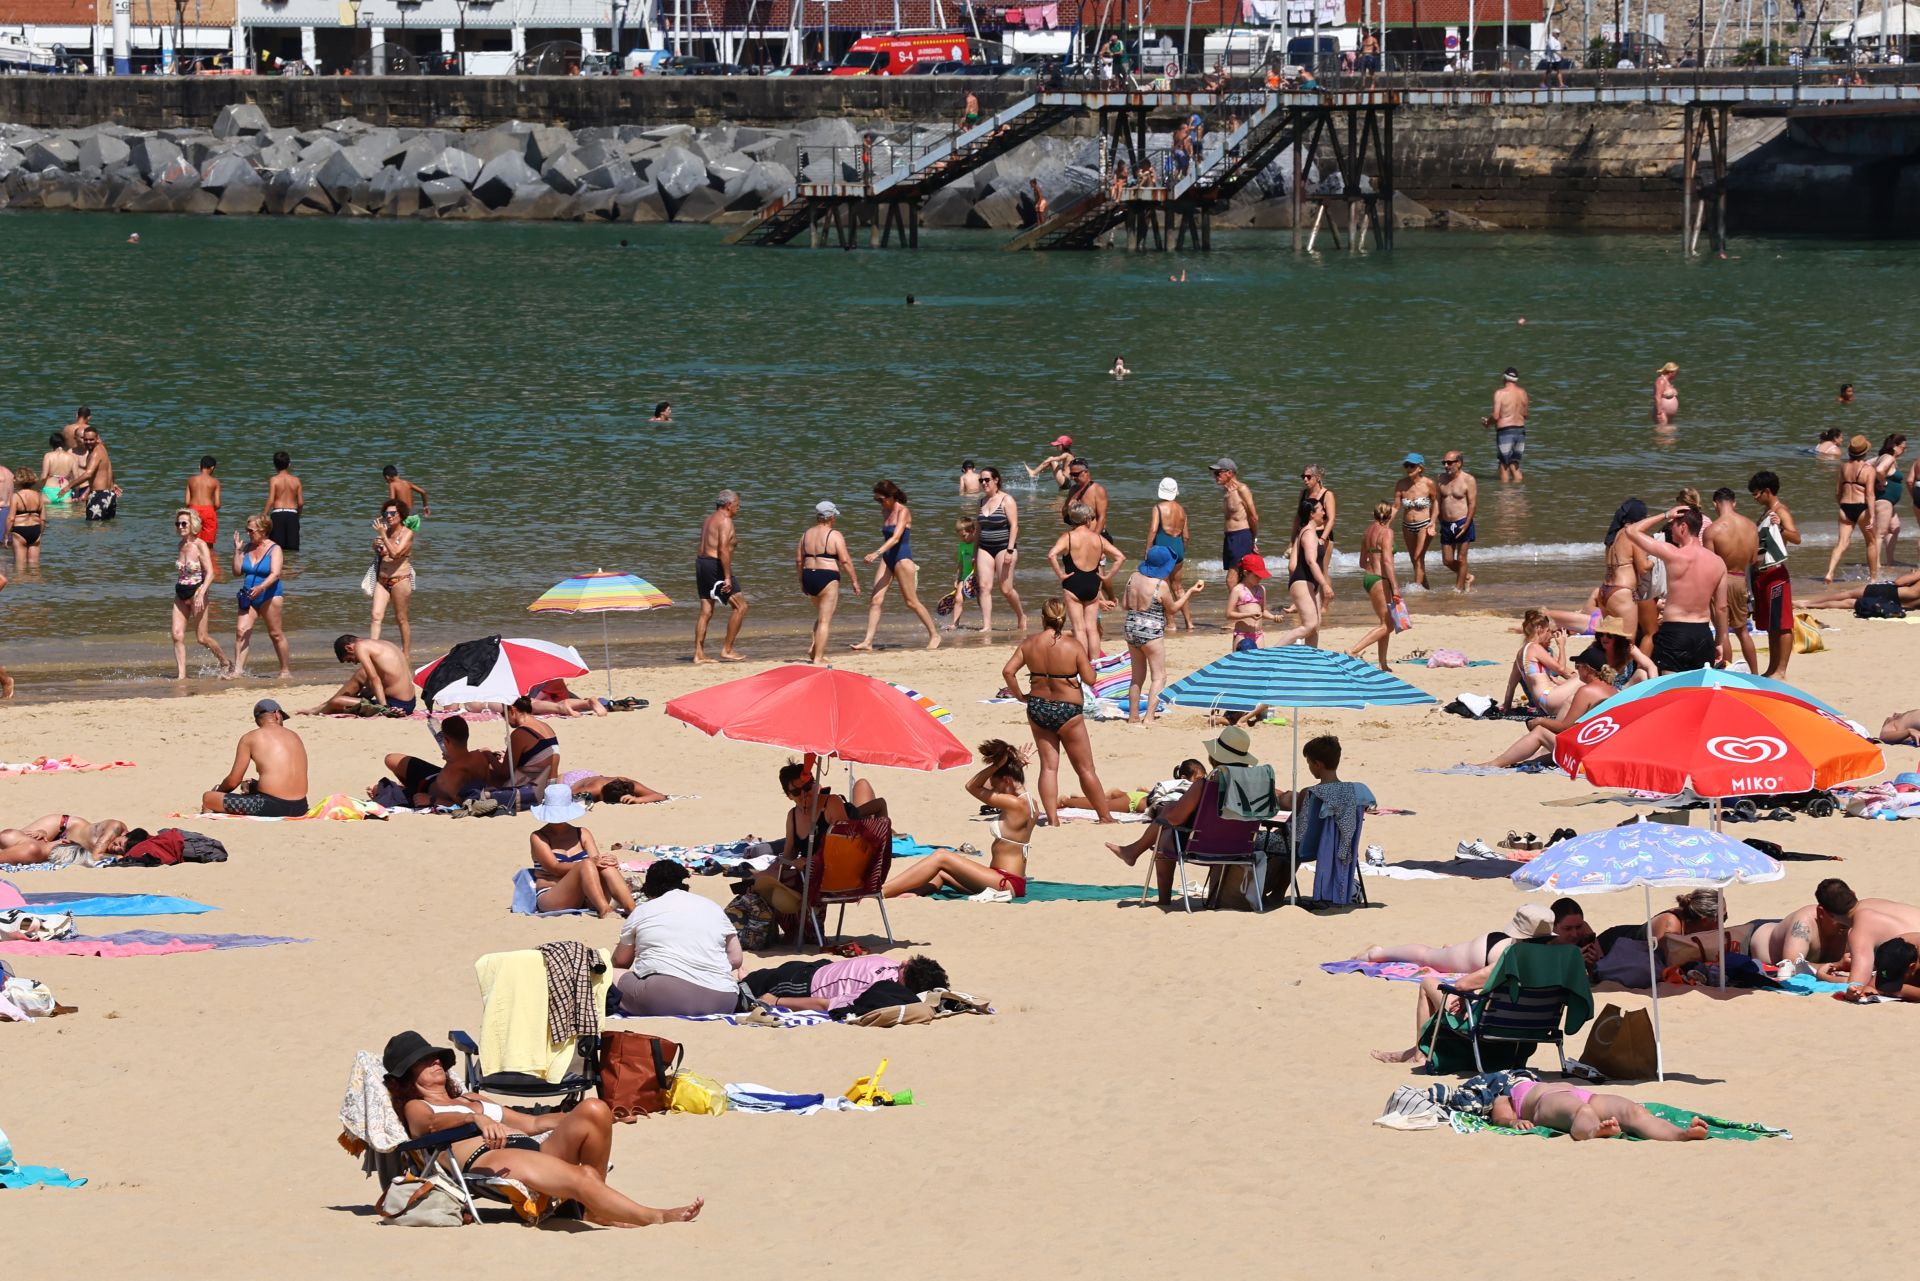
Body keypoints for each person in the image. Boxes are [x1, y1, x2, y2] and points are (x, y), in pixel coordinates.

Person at [384, 1031, 703, 1227]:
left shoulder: (472, 1097)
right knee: (582, 1177)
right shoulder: (419, 1106)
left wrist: (599, 1117)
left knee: (595, 1109)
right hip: (492, 1158)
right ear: (407, 1077)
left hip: (529, 1147)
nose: (435, 1062)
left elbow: (533, 1124)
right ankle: (655, 1216)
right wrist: (472, 1120)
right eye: (423, 1062)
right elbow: (427, 1126)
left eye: (434, 1058)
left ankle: (594, 1210)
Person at [1368, 905, 1556, 1063]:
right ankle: (1413, 1051)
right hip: (1532, 1030)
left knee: (1428, 983)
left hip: (1493, 1025)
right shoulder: (1560, 966)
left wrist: (1469, 991)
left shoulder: (1507, 963)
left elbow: (1461, 985)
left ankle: (1419, 1053)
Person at [1003, 598, 1115, 825]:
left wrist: (1020, 696)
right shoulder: (1072, 645)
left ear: (1043, 618)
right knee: (1085, 769)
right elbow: (1090, 679)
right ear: (1063, 619)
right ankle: (1105, 817)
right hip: (1069, 710)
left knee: (1049, 767)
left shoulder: (1029, 644)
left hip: (1038, 707)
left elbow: (1008, 672)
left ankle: (1053, 819)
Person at [882, 740, 1037, 900]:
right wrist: (1013, 764)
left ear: (1007, 781)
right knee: (942, 872)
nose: (996, 791)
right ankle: (911, 894)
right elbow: (989, 785)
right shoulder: (1031, 804)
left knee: (942, 856)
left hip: (1004, 882)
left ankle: (882, 891)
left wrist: (996, 766)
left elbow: (972, 786)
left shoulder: (1015, 804)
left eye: (998, 787)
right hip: (1004, 879)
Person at [611, 861, 742, 1017]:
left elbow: (620, 962)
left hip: (665, 996)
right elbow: (735, 959)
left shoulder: (643, 910)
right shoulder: (712, 906)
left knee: (606, 973)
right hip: (724, 999)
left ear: (650, 888)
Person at [1622, 506, 1724, 673]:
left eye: (1673, 525)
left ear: (1683, 527)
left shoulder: (1673, 554)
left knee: (1671, 688)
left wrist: (1665, 515)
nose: (1671, 529)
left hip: (1676, 632)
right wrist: (1720, 641)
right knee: (1699, 688)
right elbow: (1721, 608)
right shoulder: (1718, 562)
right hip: (1703, 633)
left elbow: (1632, 531)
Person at [1478, 645, 1615, 767]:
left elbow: (1564, 727)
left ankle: (1494, 764)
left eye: (1578, 666)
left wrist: (1540, 721)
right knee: (1551, 747)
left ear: (1587, 669)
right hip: (1602, 751)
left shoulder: (1586, 691)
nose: (1576, 670)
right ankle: (1526, 760)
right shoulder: (1612, 690)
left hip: (1586, 756)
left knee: (1540, 732)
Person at [852, 480, 939, 651]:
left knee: (911, 602)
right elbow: (887, 537)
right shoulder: (885, 510)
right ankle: (868, 642)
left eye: (881, 499)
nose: (879, 503)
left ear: (891, 497)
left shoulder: (903, 511)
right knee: (876, 600)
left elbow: (896, 538)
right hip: (888, 558)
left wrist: (876, 553)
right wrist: (882, 555)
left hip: (902, 558)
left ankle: (935, 634)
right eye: (876, 500)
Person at [1121, 546, 1204, 726]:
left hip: (1130, 627)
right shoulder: (1161, 585)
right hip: (1151, 633)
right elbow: (1172, 609)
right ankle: (1149, 717)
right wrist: (1189, 592)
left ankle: (1133, 716)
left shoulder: (1133, 578)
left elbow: (1124, 604)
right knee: (1159, 676)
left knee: (1136, 677)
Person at [526, 783, 633, 918]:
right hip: (553, 894)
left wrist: (606, 861)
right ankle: (605, 910)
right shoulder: (538, 837)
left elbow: (596, 862)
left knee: (606, 865)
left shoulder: (582, 833)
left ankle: (632, 908)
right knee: (587, 864)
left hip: (586, 894)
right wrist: (590, 862)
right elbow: (554, 868)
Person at [1491, 1078, 1709, 1141]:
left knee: (1635, 1112)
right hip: (1545, 1102)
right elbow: (1501, 1116)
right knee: (1582, 1112)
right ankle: (1593, 1130)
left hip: (1585, 1095)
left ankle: (1681, 1134)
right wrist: (1512, 1122)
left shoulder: (1531, 1080)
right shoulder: (1505, 1094)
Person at [201, 699, 309, 816]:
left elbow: (233, 781)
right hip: (301, 806)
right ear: (277, 715)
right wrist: (255, 786)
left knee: (208, 798)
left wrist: (219, 792)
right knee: (250, 786)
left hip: (269, 806)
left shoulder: (250, 738)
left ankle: (209, 813)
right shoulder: (295, 736)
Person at [744, 953, 948, 1012]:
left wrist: (777, 1001)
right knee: (756, 978)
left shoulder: (877, 989)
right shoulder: (895, 971)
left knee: (746, 990)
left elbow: (825, 1004)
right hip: (820, 968)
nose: (901, 962)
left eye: (906, 967)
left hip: (805, 984)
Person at [379, 714, 506, 807]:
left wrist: (432, 800)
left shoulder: (450, 775)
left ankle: (404, 789)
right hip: (434, 776)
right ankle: (405, 787)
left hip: (425, 792)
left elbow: (464, 804)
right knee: (391, 759)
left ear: (446, 741)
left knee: (379, 789)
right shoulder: (481, 755)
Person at [1048, 502, 1125, 654]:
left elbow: (1051, 555)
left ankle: (1082, 662)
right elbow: (1120, 557)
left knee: (1079, 628)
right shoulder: (1098, 538)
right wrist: (1107, 576)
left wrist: (1061, 575)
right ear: (1088, 520)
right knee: (1092, 628)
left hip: (1073, 584)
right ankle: (1095, 662)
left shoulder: (1067, 537)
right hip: (1093, 584)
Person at [1747, 470, 1800, 678]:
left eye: (1757, 493)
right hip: (1762, 574)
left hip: (1776, 574)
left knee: (1782, 623)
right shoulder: (1765, 512)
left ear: (1767, 491)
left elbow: (1796, 538)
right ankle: (1772, 667)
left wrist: (1781, 527)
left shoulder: (1781, 511)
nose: (1755, 498)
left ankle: (1782, 669)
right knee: (1771, 624)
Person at [796, 500, 859, 664]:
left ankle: (814, 647)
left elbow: (798, 560)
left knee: (821, 615)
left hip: (808, 575)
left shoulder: (806, 534)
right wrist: (854, 581)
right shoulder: (835, 535)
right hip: (827, 576)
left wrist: (801, 580)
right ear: (830, 517)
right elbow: (845, 561)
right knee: (825, 619)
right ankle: (818, 657)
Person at [1704, 487, 1759, 673]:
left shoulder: (1712, 530)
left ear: (1715, 504)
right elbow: (1753, 560)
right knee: (1743, 631)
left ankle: (1726, 672)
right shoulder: (1751, 526)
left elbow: (1709, 564)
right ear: (1734, 503)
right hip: (1740, 579)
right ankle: (1756, 673)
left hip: (1721, 580)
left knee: (1722, 631)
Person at [170, 507, 229, 679]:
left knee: (202, 638)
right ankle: (181, 675)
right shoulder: (180, 545)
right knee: (176, 635)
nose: (180, 527)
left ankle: (225, 662)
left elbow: (210, 573)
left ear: (192, 524)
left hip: (197, 592)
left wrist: (201, 592)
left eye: (184, 523)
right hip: (180, 593)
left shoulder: (200, 545)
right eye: (178, 524)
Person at [230, 515, 290, 679]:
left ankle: (285, 671)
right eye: (246, 530)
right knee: (240, 631)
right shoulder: (247, 547)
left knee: (275, 633)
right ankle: (238, 670)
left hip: (270, 595)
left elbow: (275, 574)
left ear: (263, 531)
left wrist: (262, 587)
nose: (247, 533)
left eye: (251, 530)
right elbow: (236, 572)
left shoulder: (274, 549)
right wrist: (236, 550)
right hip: (248, 596)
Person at [1347, 502, 1403, 671]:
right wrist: (1395, 587)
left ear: (1374, 515)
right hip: (1380, 578)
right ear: (1390, 516)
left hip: (1369, 578)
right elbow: (1387, 561)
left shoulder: (1368, 531)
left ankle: (1383, 663)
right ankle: (1353, 650)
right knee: (1388, 625)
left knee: (1384, 623)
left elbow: (1362, 562)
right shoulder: (1387, 532)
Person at [694, 489, 748, 663]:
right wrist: (727, 577)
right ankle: (727, 649)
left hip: (701, 563)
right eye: (737, 505)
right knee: (741, 607)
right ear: (728, 504)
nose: (739, 508)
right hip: (715, 566)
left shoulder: (709, 519)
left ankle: (698, 654)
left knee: (706, 611)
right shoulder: (725, 521)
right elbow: (723, 549)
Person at [304, 635, 417, 715]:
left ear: (349, 648)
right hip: (410, 702)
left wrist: (384, 708)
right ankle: (323, 705)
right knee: (361, 673)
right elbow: (388, 677)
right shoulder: (384, 643)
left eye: (350, 659)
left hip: (397, 705)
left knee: (336, 702)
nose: (354, 662)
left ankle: (322, 708)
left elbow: (374, 679)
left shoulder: (360, 647)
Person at [973, 468, 1024, 633]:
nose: (984, 483)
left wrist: (1010, 550)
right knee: (984, 587)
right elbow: (978, 529)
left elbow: (1015, 526)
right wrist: (975, 552)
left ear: (996, 480)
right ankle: (987, 625)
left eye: (987, 480)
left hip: (1004, 547)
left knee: (1006, 589)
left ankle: (1021, 616)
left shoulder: (1007, 500)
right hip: (984, 548)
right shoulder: (981, 502)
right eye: (981, 480)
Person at [1823, 435, 1879, 584]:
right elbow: (1870, 494)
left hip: (1844, 507)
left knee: (1841, 543)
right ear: (1865, 452)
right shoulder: (1869, 470)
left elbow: (1837, 492)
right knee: (1872, 542)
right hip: (1861, 508)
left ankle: (1830, 572)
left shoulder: (1843, 467)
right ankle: (1873, 578)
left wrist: (1841, 506)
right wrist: (1872, 515)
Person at [1144, 477, 1195, 631]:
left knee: (1163, 586)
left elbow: (1153, 529)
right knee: (1178, 587)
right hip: (1178, 546)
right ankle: (1189, 622)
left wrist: (1148, 549)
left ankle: (1171, 623)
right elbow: (1186, 536)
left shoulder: (1158, 508)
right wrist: (1182, 550)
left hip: (1163, 547)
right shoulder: (1181, 510)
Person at [1502, 609, 1575, 714]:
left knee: (1582, 682)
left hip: (1542, 704)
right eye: (1548, 631)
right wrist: (1561, 646)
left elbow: (1511, 685)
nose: (1550, 635)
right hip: (1548, 697)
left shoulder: (1523, 652)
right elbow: (1561, 669)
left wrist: (1506, 710)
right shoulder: (1534, 647)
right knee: (1584, 679)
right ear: (1539, 629)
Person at [369, 501, 416, 661]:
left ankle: (406, 655)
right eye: (386, 514)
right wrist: (376, 546)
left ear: (401, 515)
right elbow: (384, 553)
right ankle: (373, 652)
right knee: (376, 616)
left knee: (401, 618)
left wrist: (382, 535)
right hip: (382, 580)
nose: (388, 517)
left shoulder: (407, 533)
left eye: (392, 514)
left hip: (400, 579)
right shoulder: (386, 532)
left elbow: (395, 553)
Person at [1270, 528, 1332, 648]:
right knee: (1309, 625)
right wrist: (1298, 595)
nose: (1323, 513)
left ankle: (1311, 658)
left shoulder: (1319, 535)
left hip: (1313, 582)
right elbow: (1293, 566)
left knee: (1315, 626)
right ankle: (1273, 651)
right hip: (1304, 581)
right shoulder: (1305, 533)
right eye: (1321, 510)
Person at [0, 813, 137, 864]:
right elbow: (96, 855)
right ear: (125, 834)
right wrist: (118, 858)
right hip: (62, 826)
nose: (117, 848)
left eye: (121, 850)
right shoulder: (115, 827)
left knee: (20, 843)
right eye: (119, 843)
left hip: (51, 843)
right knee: (24, 841)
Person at [1392, 454, 1441, 589]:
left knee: (1418, 556)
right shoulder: (1401, 484)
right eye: (1406, 465)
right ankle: (1426, 587)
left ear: (1420, 467)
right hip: (1407, 526)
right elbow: (1396, 507)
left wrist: (1433, 522)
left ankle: (1417, 590)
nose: (1408, 468)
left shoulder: (1429, 483)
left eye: (1412, 465)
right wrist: (1384, 524)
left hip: (1424, 525)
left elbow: (1436, 503)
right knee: (1414, 559)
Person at [1212, 457, 1259, 590]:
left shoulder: (1242, 489)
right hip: (1229, 538)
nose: (1215, 476)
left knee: (1231, 580)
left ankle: (1237, 608)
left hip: (1241, 536)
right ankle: (1248, 606)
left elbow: (1254, 517)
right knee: (1241, 578)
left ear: (1230, 473)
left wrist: (1253, 540)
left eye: (1218, 473)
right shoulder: (1226, 492)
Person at [1295, 464, 1337, 608]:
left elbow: (1331, 519)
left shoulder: (1327, 494)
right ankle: (1301, 601)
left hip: (1322, 535)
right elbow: (1297, 518)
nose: (1305, 480)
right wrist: (1292, 539)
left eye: (1308, 477)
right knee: (1297, 567)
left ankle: (1324, 605)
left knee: (1322, 569)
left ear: (1317, 477)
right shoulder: (1303, 494)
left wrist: (1322, 538)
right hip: (1305, 534)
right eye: (1303, 477)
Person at [1436, 450, 1478, 591]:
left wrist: (1466, 524)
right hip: (1446, 523)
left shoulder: (1468, 480)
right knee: (1447, 560)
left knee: (1461, 558)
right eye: (1444, 463)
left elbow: (1472, 504)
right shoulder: (1441, 479)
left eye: (1449, 462)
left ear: (1459, 463)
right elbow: (1437, 501)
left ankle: (1458, 589)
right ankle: (1466, 576)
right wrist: (1438, 520)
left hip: (1462, 522)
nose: (1446, 465)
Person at [1227, 551, 1278, 652]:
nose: (1260, 578)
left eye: (1261, 576)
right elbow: (1229, 614)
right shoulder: (1238, 590)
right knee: (1240, 663)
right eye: (1256, 575)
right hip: (1242, 634)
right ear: (1246, 573)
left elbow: (1262, 611)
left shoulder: (1261, 589)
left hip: (1258, 634)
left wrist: (1273, 617)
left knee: (1260, 662)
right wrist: (1248, 615)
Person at [507, 697, 561, 789]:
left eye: (503, 714)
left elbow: (505, 772)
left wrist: (489, 756)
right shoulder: (546, 727)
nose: (505, 719)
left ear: (512, 710)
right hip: (551, 785)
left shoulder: (519, 733)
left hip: (533, 789)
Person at [1486, 367, 1529, 482]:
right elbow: (1525, 415)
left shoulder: (1500, 393)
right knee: (1514, 464)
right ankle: (1518, 494)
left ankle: (1505, 496)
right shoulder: (1523, 393)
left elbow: (1495, 416)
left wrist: (1487, 422)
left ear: (1504, 378)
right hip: (1520, 431)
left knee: (1504, 465)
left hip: (1505, 432)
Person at [1872, 434, 1907, 565]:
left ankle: (1890, 560)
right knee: (1880, 533)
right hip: (1883, 500)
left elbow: (1864, 465)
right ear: (1894, 446)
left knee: (1895, 528)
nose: (1905, 450)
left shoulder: (1882, 457)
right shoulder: (1889, 458)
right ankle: (1876, 564)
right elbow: (1879, 470)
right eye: (1903, 447)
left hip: (1888, 502)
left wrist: (1873, 481)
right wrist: (1883, 482)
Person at [73, 425, 120, 521]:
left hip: (99, 495)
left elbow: (88, 474)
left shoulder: (95, 453)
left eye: (91, 439)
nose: (87, 442)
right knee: (107, 527)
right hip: (110, 494)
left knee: (93, 529)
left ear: (97, 438)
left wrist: (67, 487)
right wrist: (112, 483)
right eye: (84, 439)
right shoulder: (103, 448)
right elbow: (108, 467)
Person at [943, 515, 978, 632]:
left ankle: (986, 622)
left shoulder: (977, 545)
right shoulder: (962, 546)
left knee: (981, 600)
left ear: (972, 531)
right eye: (960, 536)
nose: (962, 539)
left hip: (977, 577)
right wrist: (957, 578)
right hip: (964, 577)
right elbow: (960, 564)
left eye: (964, 536)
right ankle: (954, 624)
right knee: (958, 599)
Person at [264, 451, 303, 553]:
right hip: (292, 515)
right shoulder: (296, 480)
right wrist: (297, 515)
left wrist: (263, 515)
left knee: (277, 550)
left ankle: (280, 569)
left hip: (278, 515)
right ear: (289, 464)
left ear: (274, 465)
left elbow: (271, 500)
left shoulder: (274, 480)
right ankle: (291, 568)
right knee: (293, 551)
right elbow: (300, 503)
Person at [1062, 457, 1109, 536]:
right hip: (1080, 536)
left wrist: (1094, 538)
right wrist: (1068, 507)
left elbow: (1102, 518)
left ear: (1086, 472)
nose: (1073, 478)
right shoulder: (1073, 490)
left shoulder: (1097, 490)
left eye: (1076, 474)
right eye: (1071, 474)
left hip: (1097, 535)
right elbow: (1064, 514)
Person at [9, 468, 45, 568]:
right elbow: (42, 519)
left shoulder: (16, 496)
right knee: (34, 567)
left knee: (20, 566)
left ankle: (21, 583)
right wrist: (40, 533)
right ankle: (35, 582)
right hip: (35, 530)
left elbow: (11, 518)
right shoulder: (39, 496)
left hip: (20, 531)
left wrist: (6, 535)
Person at [184, 455, 221, 549]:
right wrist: (210, 510)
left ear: (199, 466)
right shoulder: (215, 482)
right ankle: (211, 562)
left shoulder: (191, 480)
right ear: (212, 468)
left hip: (193, 510)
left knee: (192, 542)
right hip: (208, 510)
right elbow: (217, 504)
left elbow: (187, 502)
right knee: (209, 545)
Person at [1653, 360, 1681, 427]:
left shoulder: (1668, 382)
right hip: (1662, 414)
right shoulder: (1661, 381)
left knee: (1670, 434)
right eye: (1676, 372)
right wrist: (1659, 413)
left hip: (1669, 417)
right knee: (1663, 434)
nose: (1676, 374)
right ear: (1671, 372)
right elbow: (1657, 396)